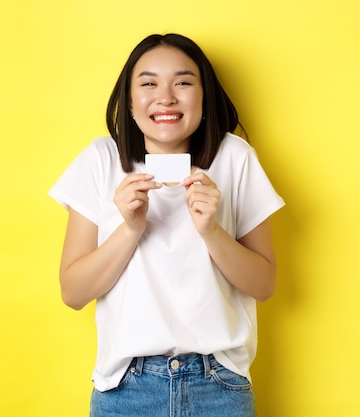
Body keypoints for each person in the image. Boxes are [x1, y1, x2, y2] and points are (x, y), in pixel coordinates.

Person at [49, 33, 285, 417]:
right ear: (128, 100)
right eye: (148, 83)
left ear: (204, 95)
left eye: (183, 82)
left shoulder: (234, 157)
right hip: (126, 390)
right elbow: (73, 293)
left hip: (219, 387)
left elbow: (264, 285)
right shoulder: (101, 160)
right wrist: (129, 229)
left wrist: (211, 230)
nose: (166, 97)